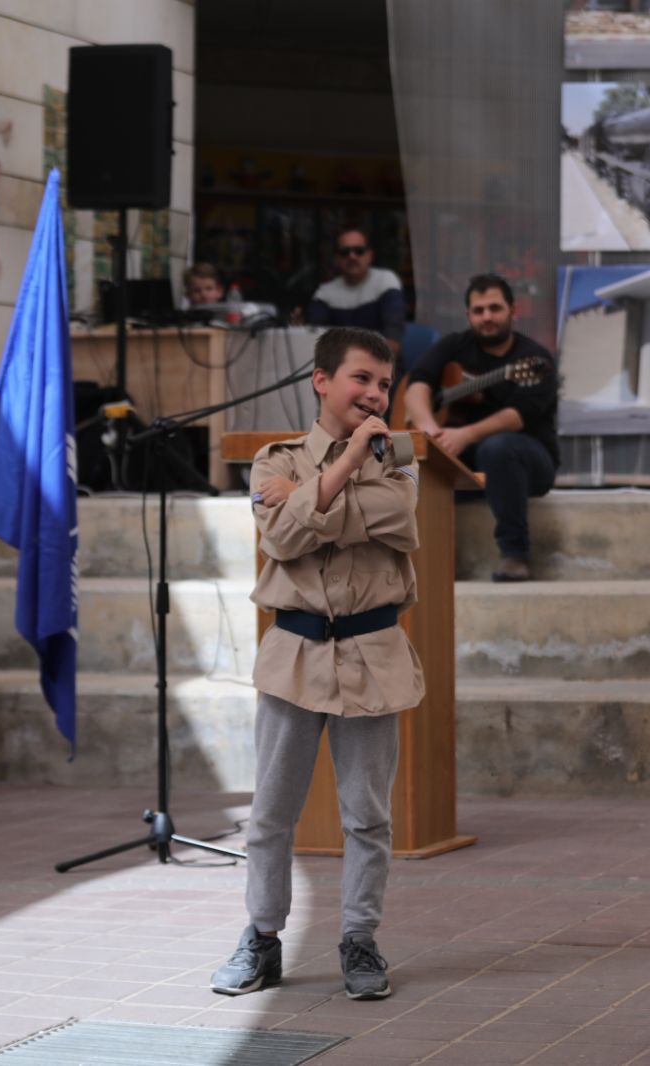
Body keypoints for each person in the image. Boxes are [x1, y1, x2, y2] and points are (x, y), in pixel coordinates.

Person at [210, 326, 423, 1001]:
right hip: (294, 654)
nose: (375, 394)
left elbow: (400, 516)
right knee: (272, 812)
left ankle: (359, 938)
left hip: (374, 650)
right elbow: (279, 536)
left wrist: (314, 497)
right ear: (322, 380)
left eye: (385, 384)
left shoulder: (402, 459)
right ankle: (262, 938)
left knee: (367, 815)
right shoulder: (273, 458)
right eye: (362, 378)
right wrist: (348, 465)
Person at [402, 273, 558, 582]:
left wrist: (466, 434)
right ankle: (421, 561)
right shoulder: (455, 346)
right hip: (461, 453)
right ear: (468, 315)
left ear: (513, 311)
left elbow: (518, 415)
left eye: (495, 308)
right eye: (479, 310)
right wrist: (429, 429)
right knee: (400, 452)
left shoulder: (534, 360)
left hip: (528, 459)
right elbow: (416, 384)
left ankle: (515, 555)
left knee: (498, 447)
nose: (487, 317)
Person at [305, 227, 405, 356]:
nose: (352, 256)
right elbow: (313, 339)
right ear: (336, 259)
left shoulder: (386, 281)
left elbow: (393, 341)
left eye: (359, 251)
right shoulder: (325, 292)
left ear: (370, 255)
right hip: (338, 367)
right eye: (344, 252)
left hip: (383, 364)